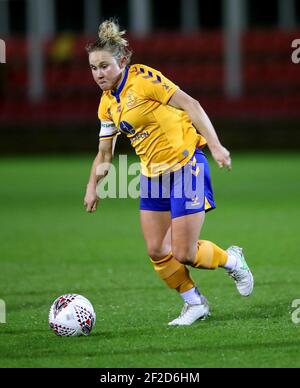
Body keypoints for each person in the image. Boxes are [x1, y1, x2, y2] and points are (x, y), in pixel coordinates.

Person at [84, 19, 254, 326]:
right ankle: (195, 304)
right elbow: (105, 153)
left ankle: (232, 260)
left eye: (105, 66)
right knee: (156, 250)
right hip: (152, 177)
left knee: (184, 252)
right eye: (94, 68)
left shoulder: (144, 79)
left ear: (122, 61)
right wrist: (92, 186)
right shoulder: (106, 104)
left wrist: (215, 146)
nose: (99, 74)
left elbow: (192, 104)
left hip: (186, 166)